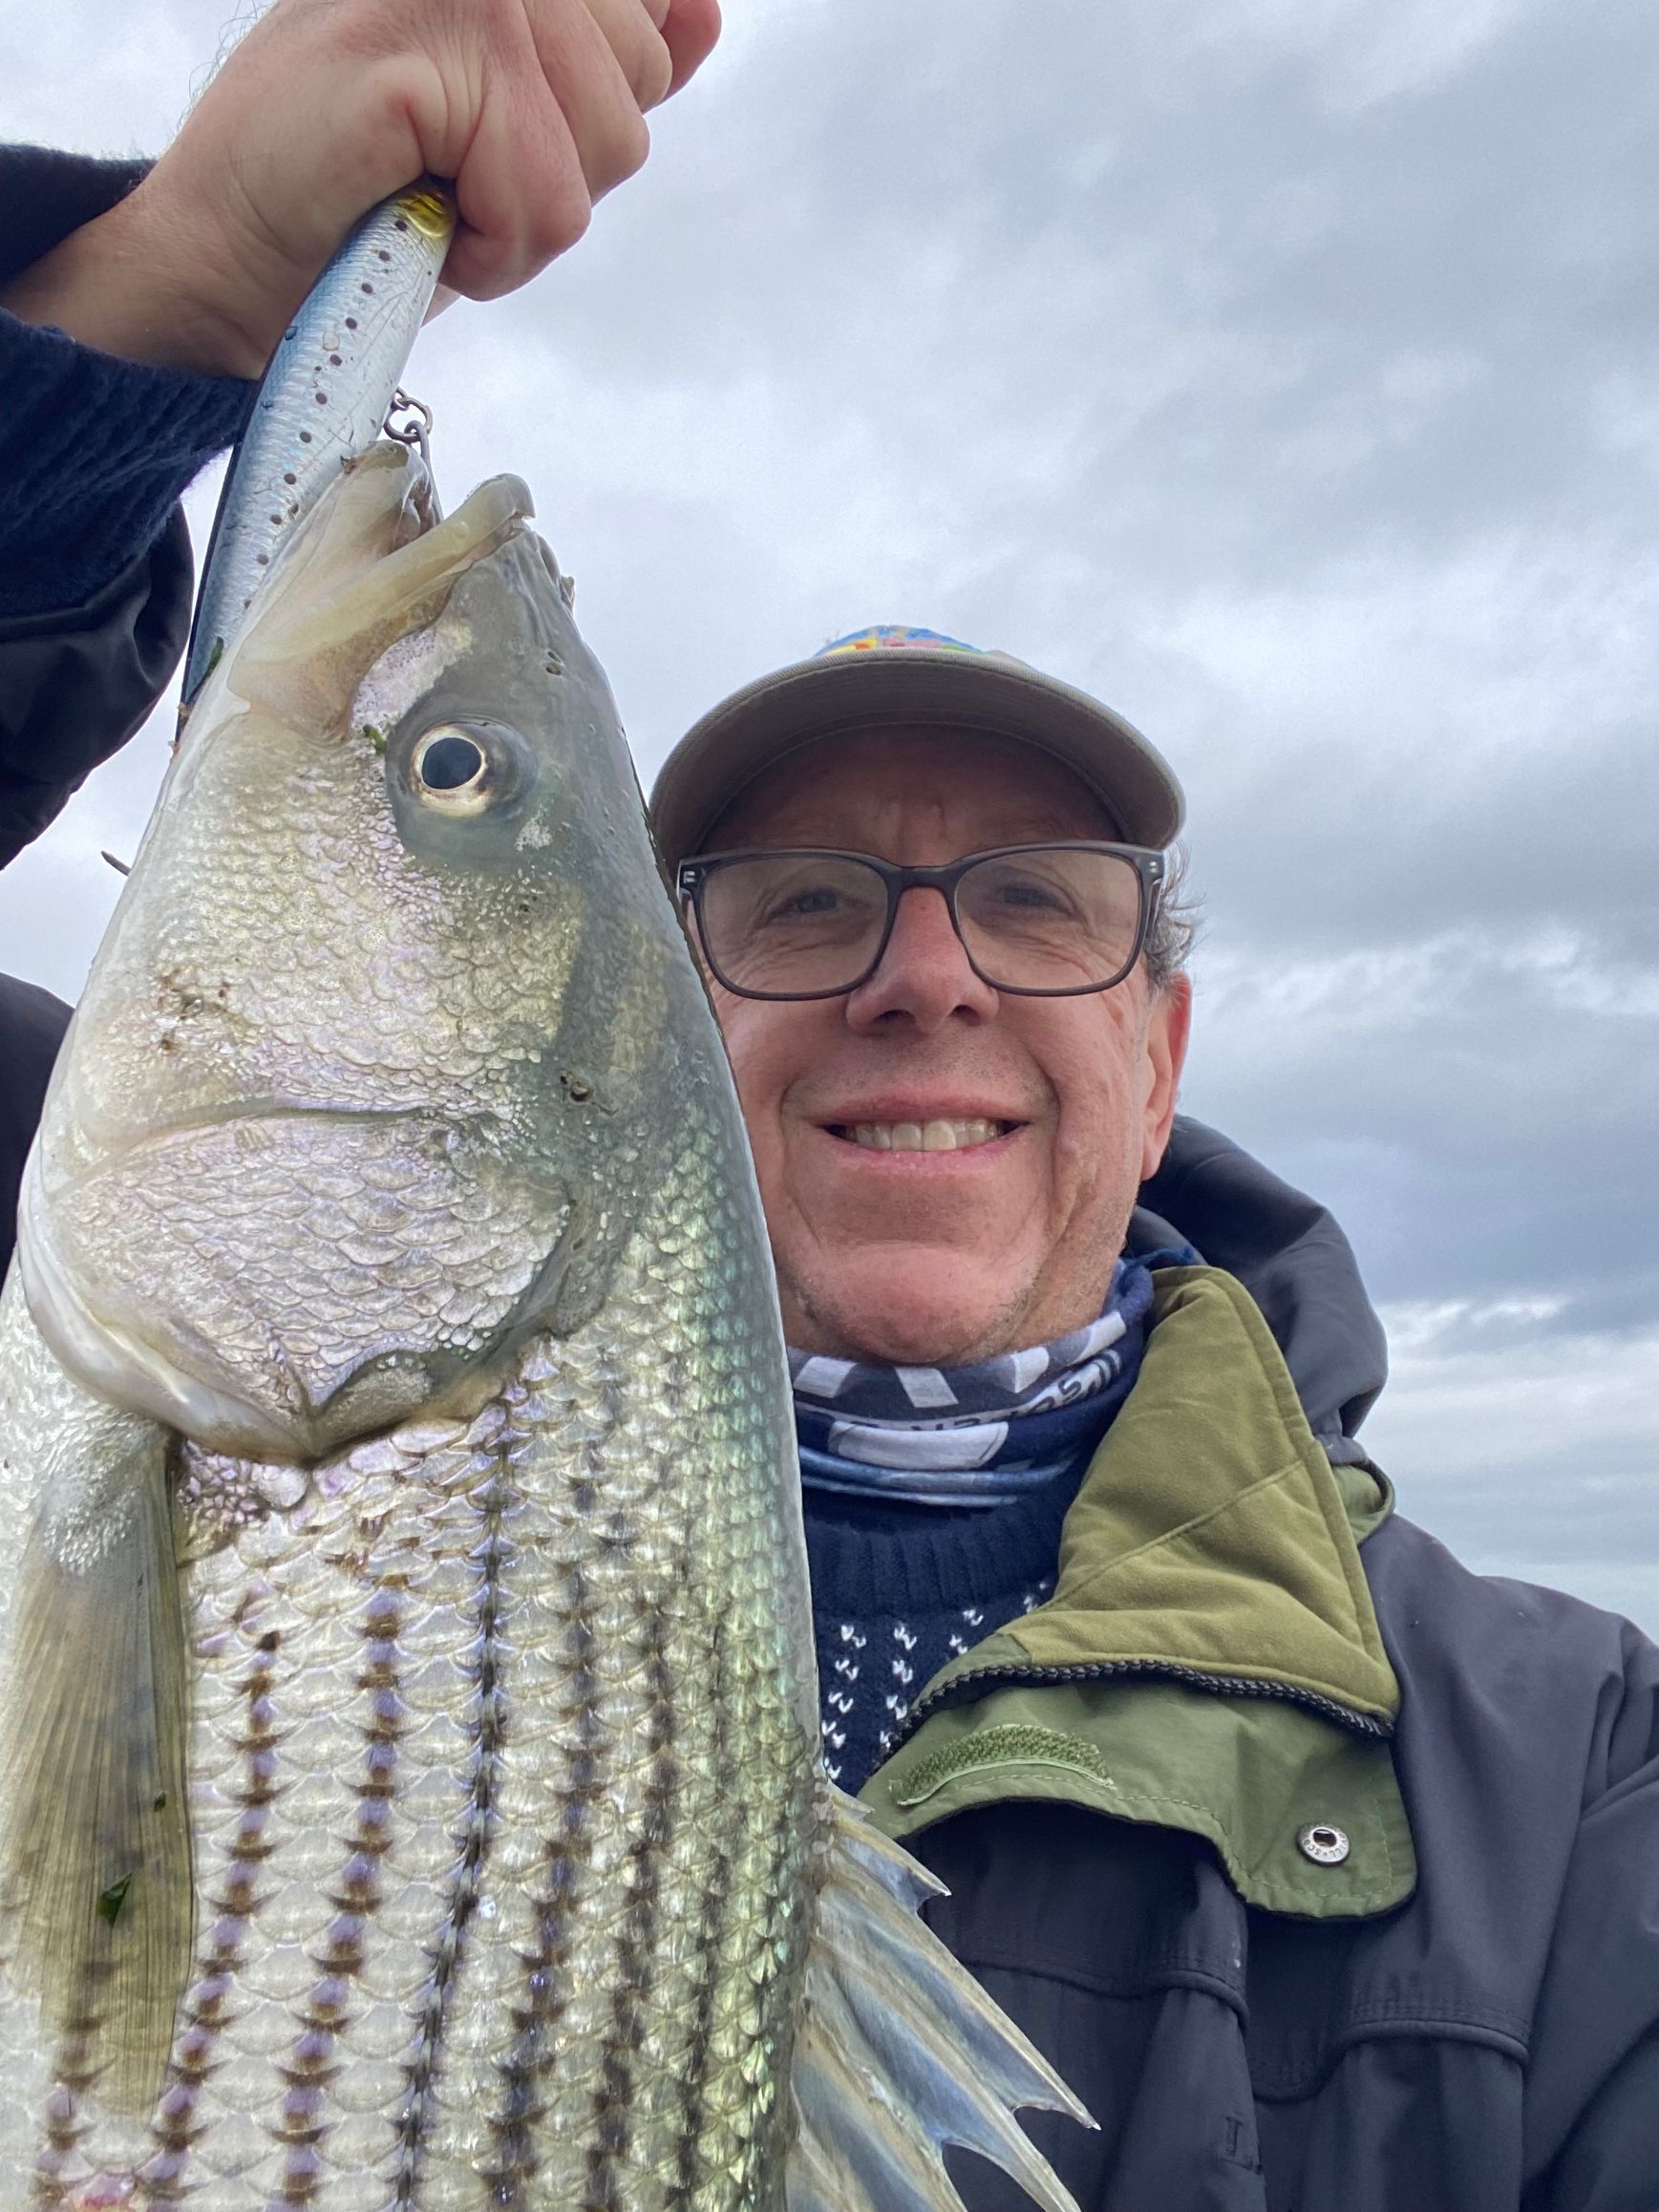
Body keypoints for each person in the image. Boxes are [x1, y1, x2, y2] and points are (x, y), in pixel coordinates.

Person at [4, 5, 1659, 2204]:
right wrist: (156, 304)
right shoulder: (98, 1242)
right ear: (683, 1026)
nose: (921, 977)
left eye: (1034, 904)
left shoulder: (1572, 1784)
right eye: (799, 906)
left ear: (1156, 1064)